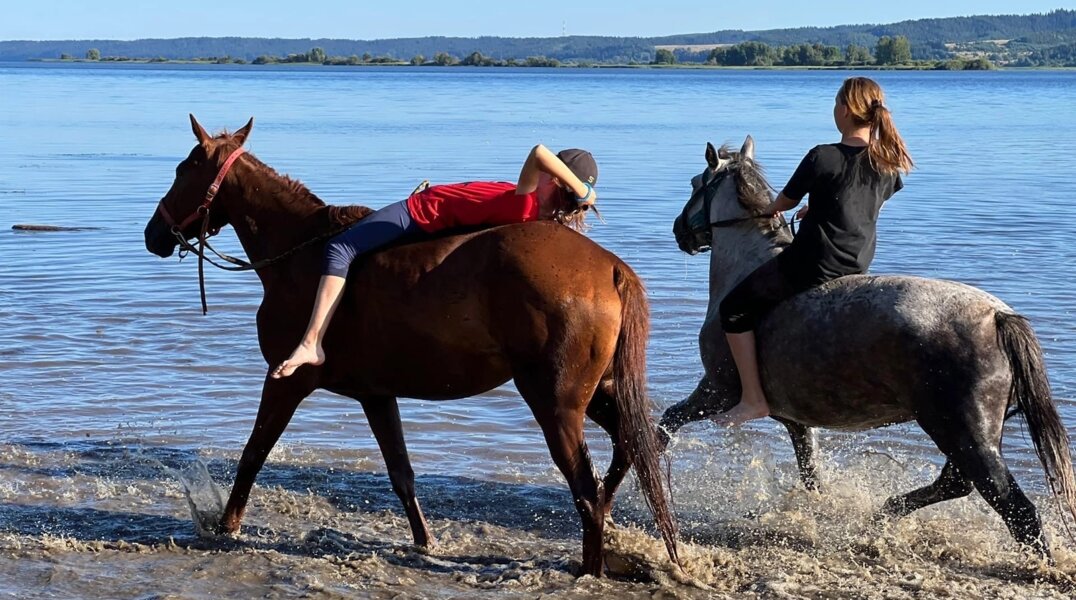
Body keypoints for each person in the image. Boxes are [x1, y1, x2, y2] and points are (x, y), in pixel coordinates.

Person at [271, 144, 599, 379]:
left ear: (556, 180)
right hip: (435, 212)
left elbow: (539, 151)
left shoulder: (526, 200)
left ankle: (312, 342)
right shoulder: (539, 220)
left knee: (339, 248)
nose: (544, 173)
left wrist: (580, 188)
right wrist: (581, 192)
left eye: (551, 173)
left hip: (422, 212)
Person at [714, 76, 913, 425]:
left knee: (733, 308)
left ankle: (753, 398)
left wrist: (776, 208)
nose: (834, 110)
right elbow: (864, 207)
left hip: (814, 262)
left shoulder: (822, 156)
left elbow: (780, 204)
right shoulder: (888, 166)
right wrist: (819, 208)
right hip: (858, 262)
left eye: (836, 104)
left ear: (846, 110)